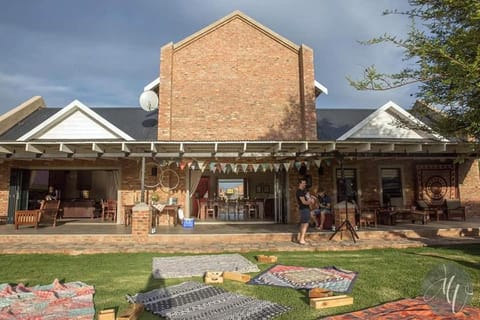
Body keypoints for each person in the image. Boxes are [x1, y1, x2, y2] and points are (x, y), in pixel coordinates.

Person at [296, 178, 314, 245]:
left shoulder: (304, 191)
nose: (304, 184)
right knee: (305, 224)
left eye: (305, 183)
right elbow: (303, 202)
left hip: (306, 209)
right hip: (304, 209)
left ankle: (301, 238)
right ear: (300, 184)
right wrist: (310, 202)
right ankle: (301, 240)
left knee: (303, 223)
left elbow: (308, 198)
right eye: (303, 183)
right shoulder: (299, 192)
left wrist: (311, 199)